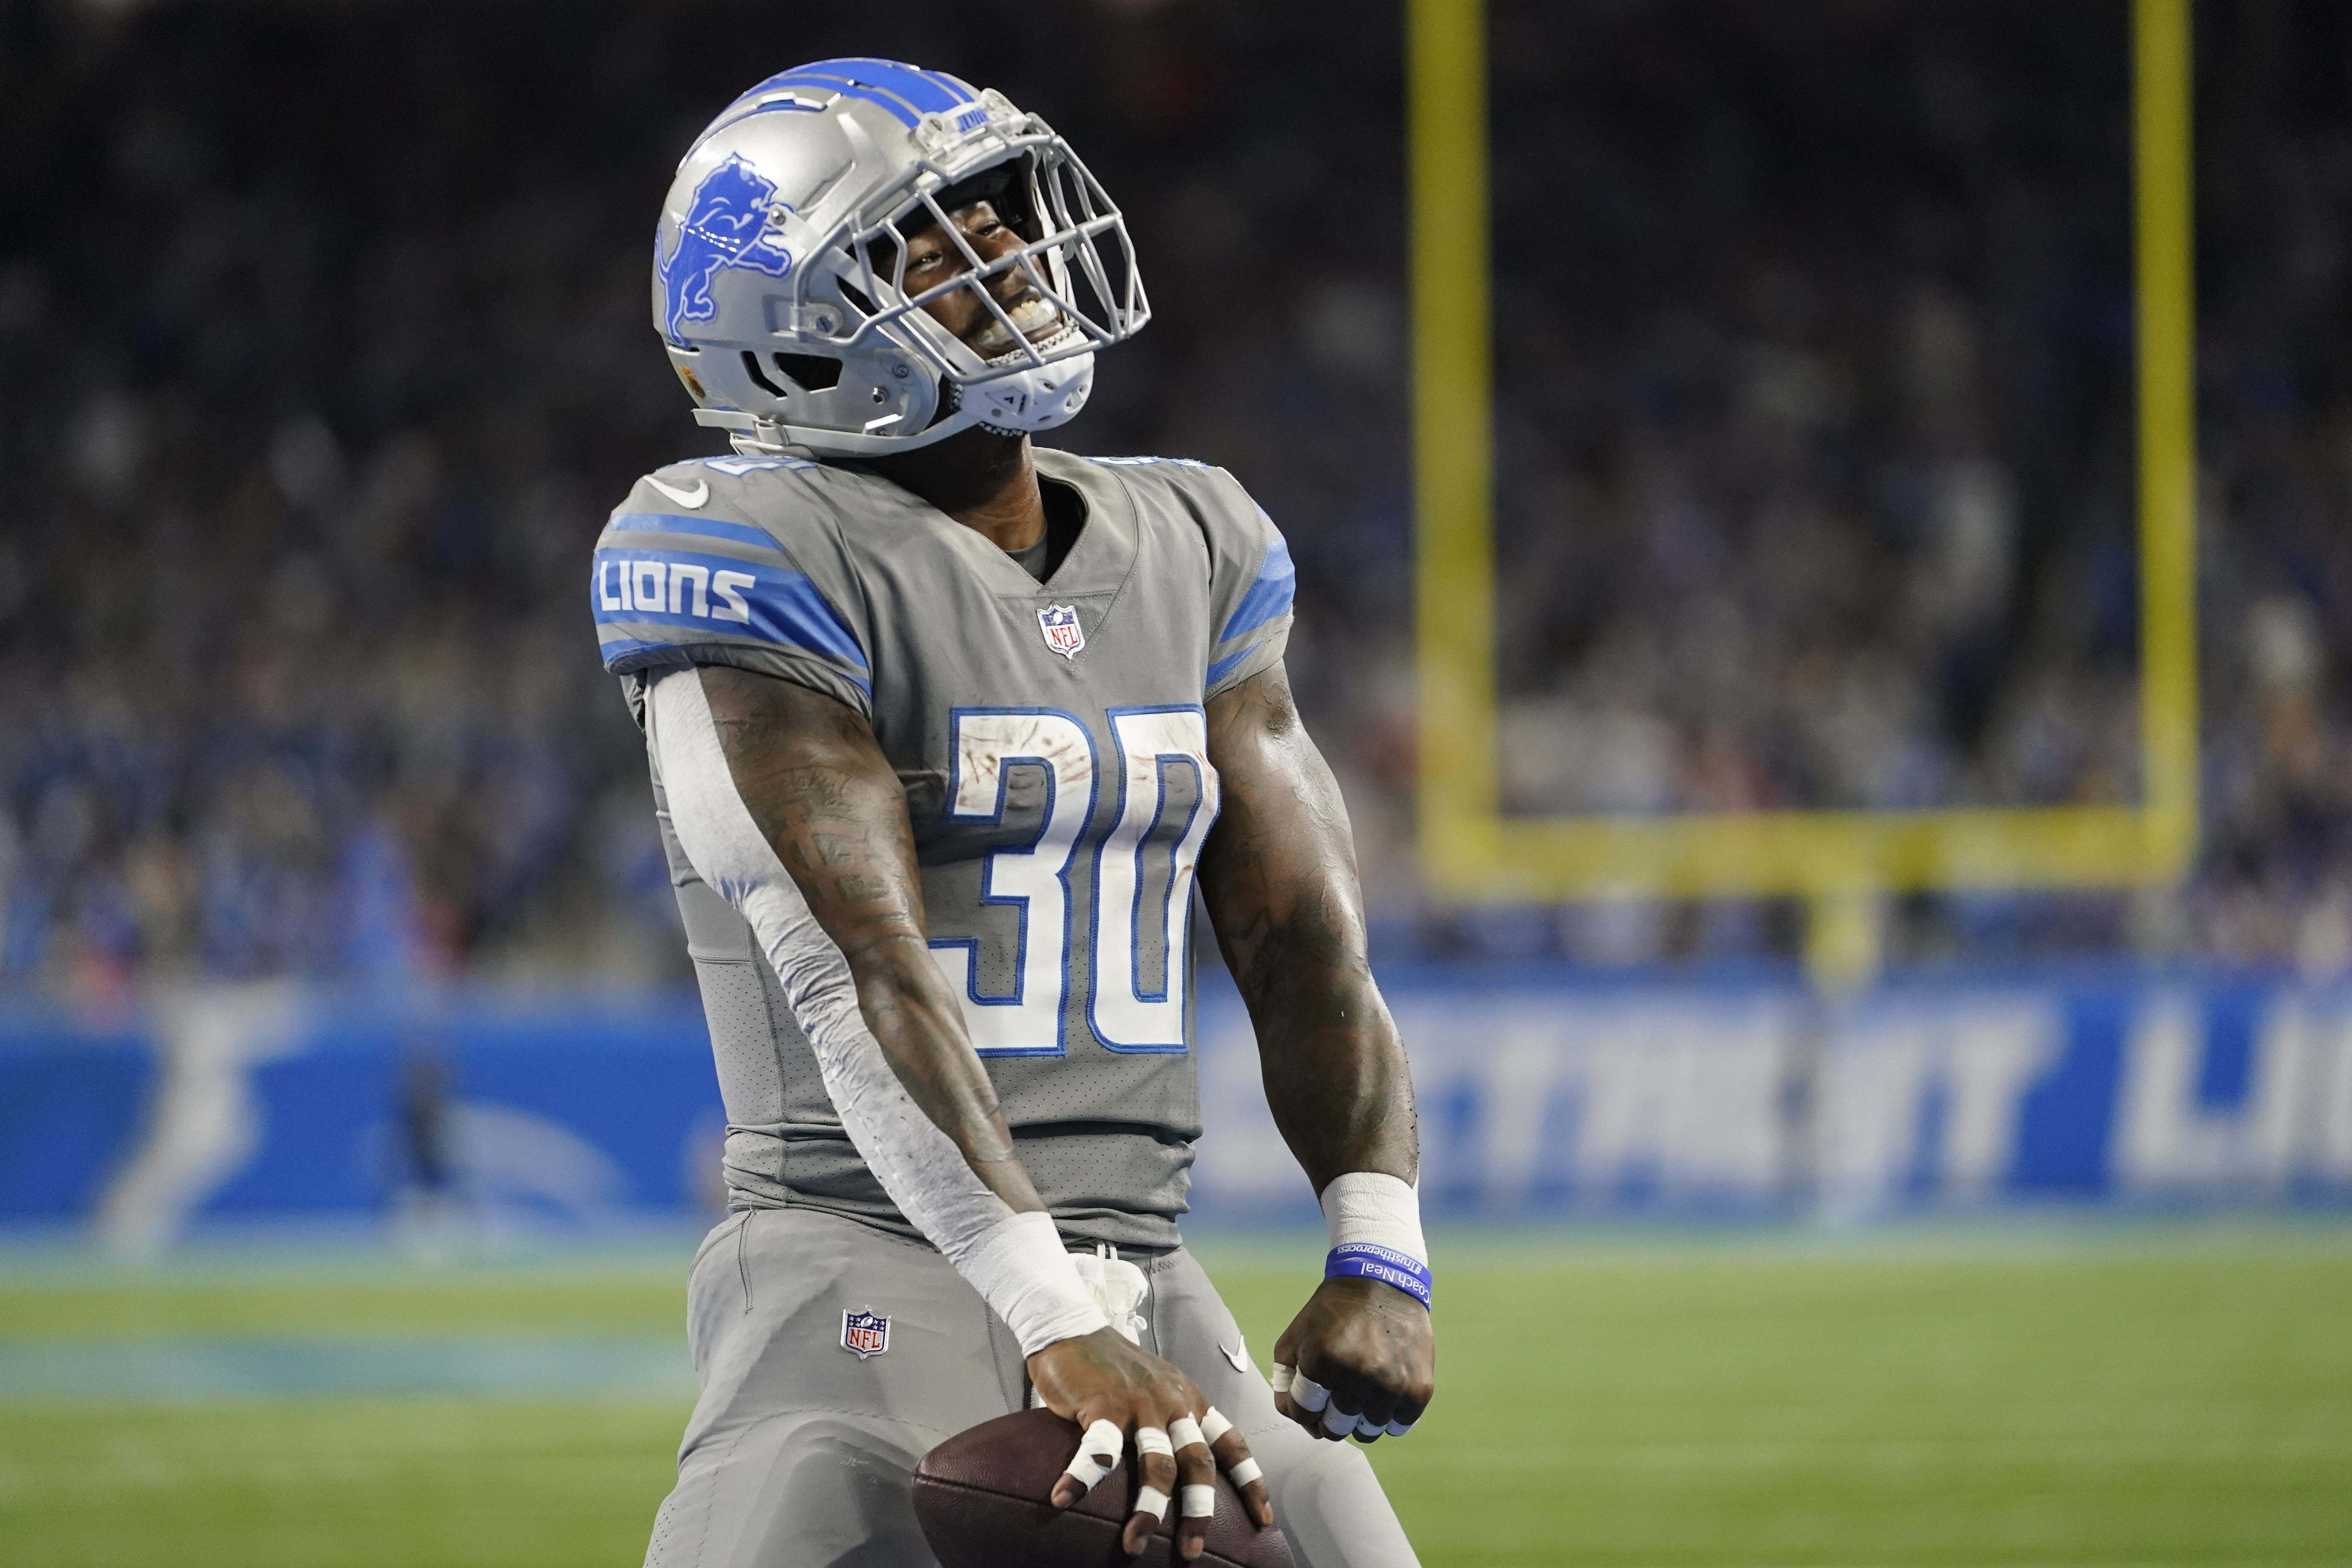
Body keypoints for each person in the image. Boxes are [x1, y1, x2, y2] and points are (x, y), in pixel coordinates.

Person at [594, 58, 1433, 1568]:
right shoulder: (739, 546)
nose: (1009, 266)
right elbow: (852, 968)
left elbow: (1303, 926)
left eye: (999, 220)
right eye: (930, 250)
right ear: (790, 344)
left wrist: (1378, 1238)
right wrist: (1043, 1313)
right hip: (855, 1264)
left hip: (1143, 1263)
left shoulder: (1199, 539)